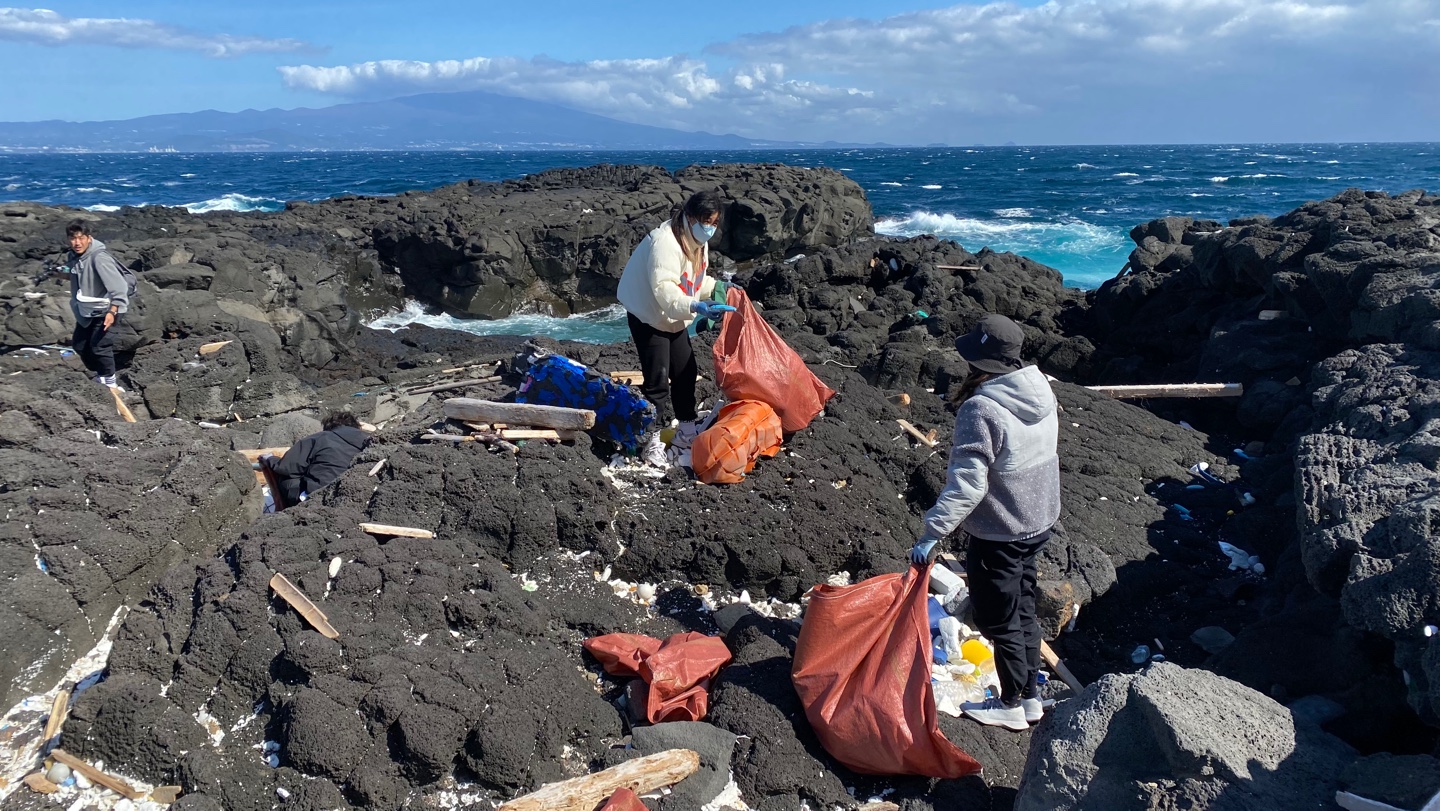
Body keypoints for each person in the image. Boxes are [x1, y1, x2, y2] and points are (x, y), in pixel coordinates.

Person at [909, 314, 1060, 732]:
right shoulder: (1039, 387)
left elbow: (968, 486)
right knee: (1023, 607)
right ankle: (1030, 695)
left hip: (1002, 530)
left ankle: (1011, 703)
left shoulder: (982, 408)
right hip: (1039, 519)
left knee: (999, 619)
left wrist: (932, 532)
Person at [617, 190, 736, 466]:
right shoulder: (665, 244)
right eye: (707, 221)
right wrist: (696, 308)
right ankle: (651, 442)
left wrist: (718, 289)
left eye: (715, 223)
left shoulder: (695, 240)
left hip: (673, 315)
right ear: (691, 216)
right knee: (657, 380)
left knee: (686, 371)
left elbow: (693, 280)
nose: (710, 228)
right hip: (648, 314)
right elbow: (665, 291)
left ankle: (686, 430)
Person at [64, 221, 130, 389]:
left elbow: (119, 287)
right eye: (73, 238)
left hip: (109, 309)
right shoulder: (74, 257)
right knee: (80, 345)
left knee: (100, 346)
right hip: (88, 309)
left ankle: (111, 384)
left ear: (89, 238)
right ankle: (102, 375)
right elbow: (79, 276)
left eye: (81, 238)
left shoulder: (99, 258)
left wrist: (112, 312)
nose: (77, 243)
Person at [260, 412, 372, 509]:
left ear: (330, 427)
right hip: (357, 496)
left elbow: (287, 467)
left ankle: (285, 511)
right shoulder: (371, 441)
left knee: (285, 478)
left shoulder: (321, 437)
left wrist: (270, 459)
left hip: (318, 497)